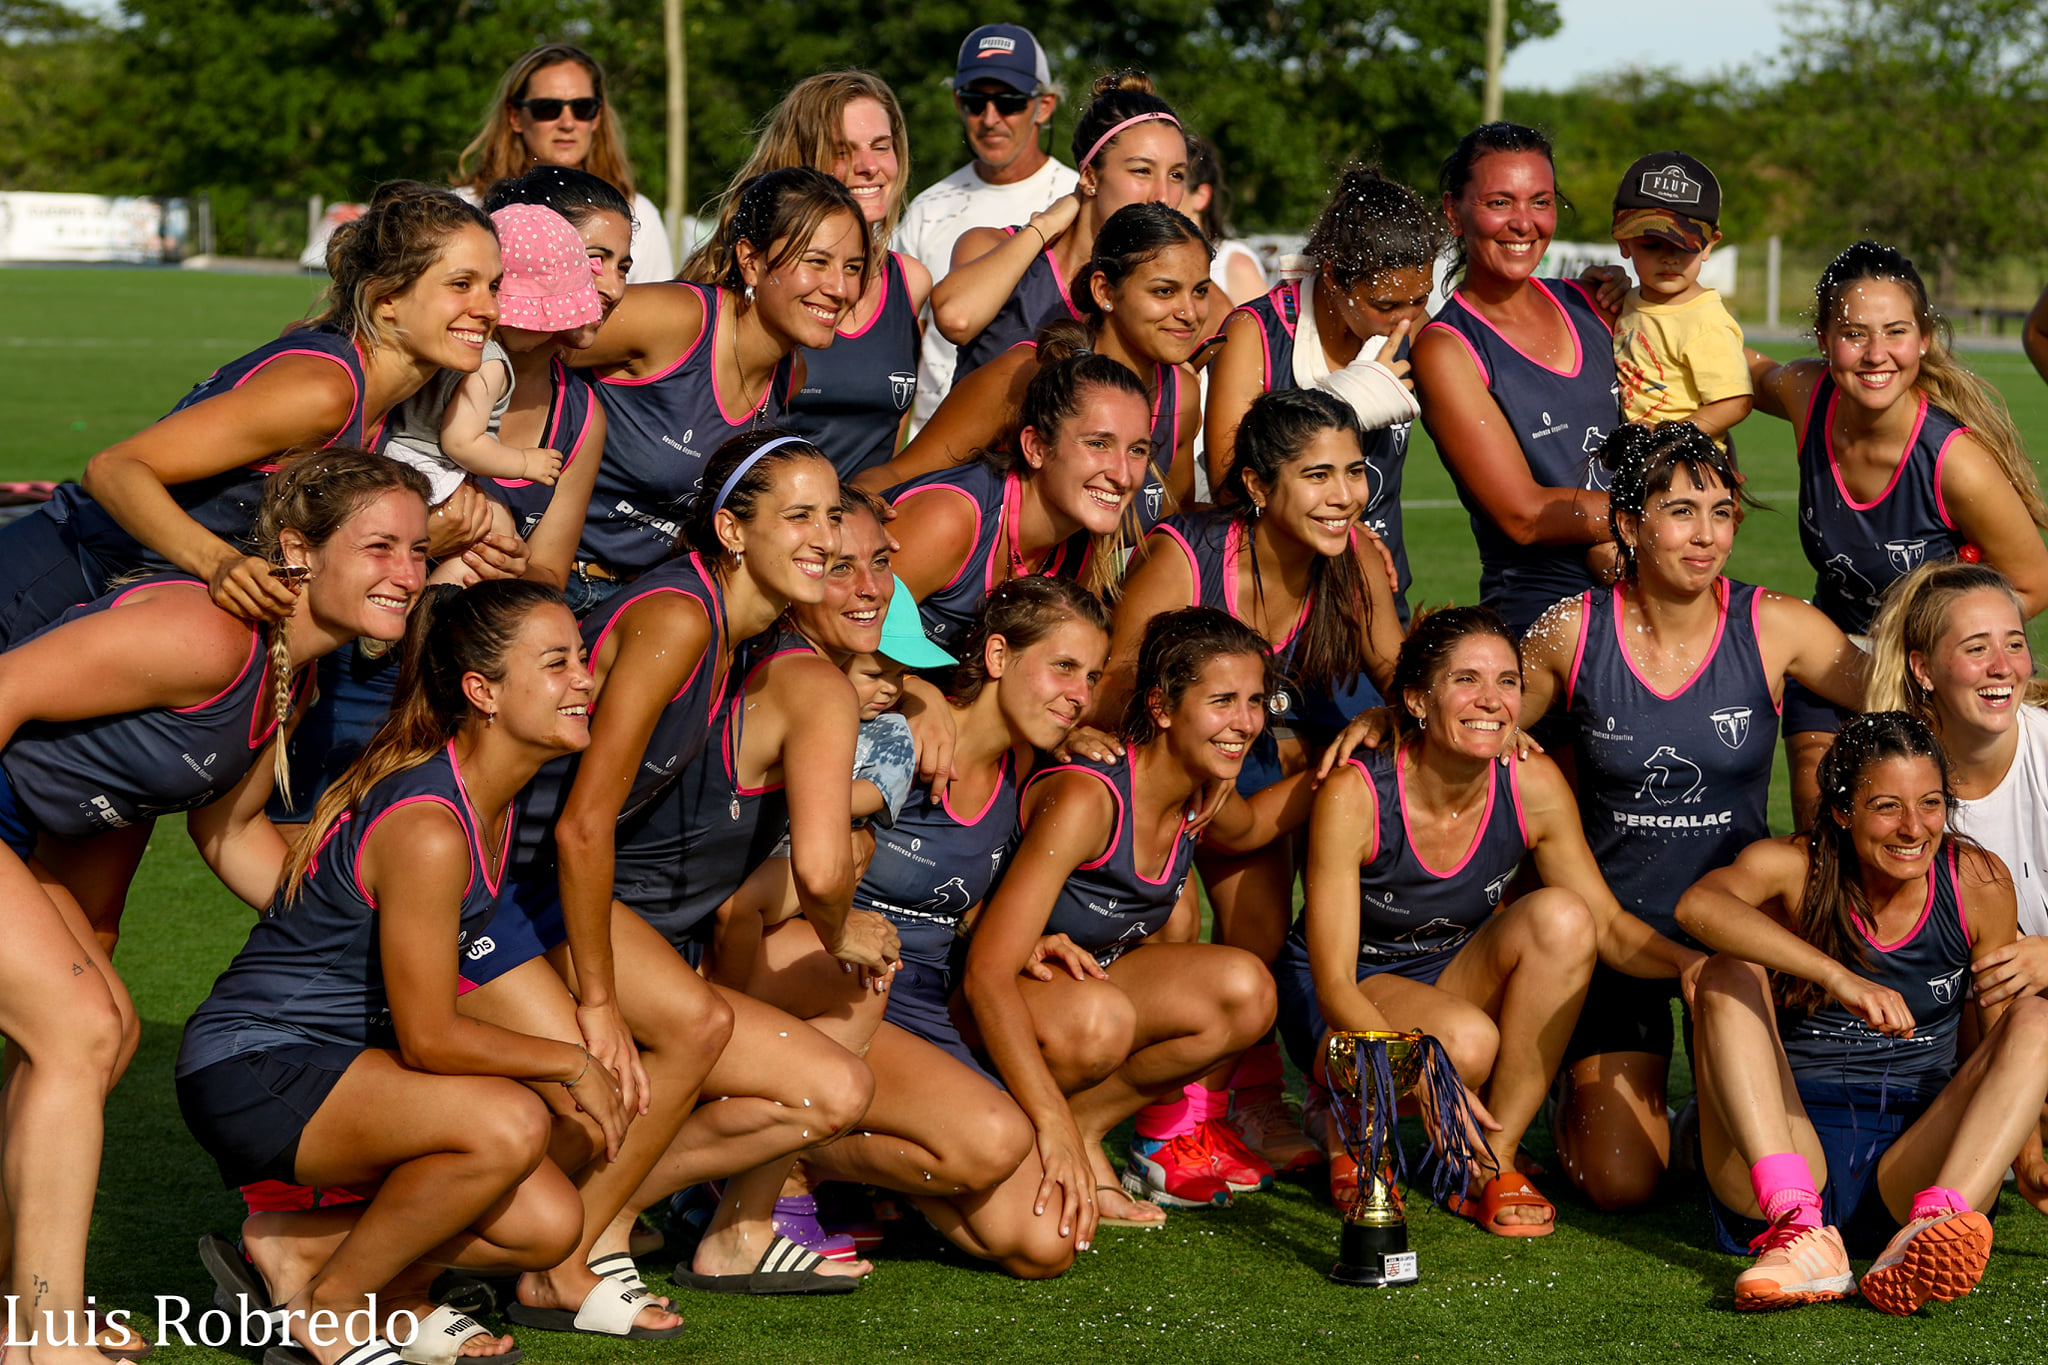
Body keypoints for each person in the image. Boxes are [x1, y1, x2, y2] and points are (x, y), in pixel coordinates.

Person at [0, 453, 430, 1365]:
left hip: (27, 831)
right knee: (78, 1029)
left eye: (419, 551)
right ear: (298, 552)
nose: (407, 572)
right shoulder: (208, 636)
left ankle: (16, 1301)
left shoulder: (290, 673)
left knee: (107, 1032)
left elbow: (230, 832)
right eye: (381, 547)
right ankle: (44, 1332)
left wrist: (361, 927)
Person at [175, 580, 665, 1365]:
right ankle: (331, 1308)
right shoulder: (432, 826)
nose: (585, 678)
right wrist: (573, 1059)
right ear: (483, 692)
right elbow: (430, 1038)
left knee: (547, 1224)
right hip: (254, 1065)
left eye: (581, 657)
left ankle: (298, 1247)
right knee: (512, 1123)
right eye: (557, 663)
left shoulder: (490, 798)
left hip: (331, 1062)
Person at [458, 432, 884, 1294]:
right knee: (690, 1028)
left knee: (829, 1089)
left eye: (832, 514)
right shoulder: (682, 618)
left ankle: (590, 1235)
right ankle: (559, 1260)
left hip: (550, 889)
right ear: (731, 530)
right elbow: (581, 828)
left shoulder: (741, 633)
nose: (826, 538)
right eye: (798, 516)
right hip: (497, 886)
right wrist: (601, 1001)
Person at [1507, 422, 1863, 1210]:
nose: (1706, 536)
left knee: (1733, 1169)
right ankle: (1575, 1092)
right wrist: (1389, 722)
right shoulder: (1571, 631)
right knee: (1621, 1182)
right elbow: (1480, 725)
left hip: (1738, 937)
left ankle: (1707, 1108)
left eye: (1721, 512)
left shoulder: (1776, 624)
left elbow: (1893, 697)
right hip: (1616, 938)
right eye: (1680, 512)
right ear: (1629, 524)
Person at [1287, 606, 1700, 1233]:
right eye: (1466, 680)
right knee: (1465, 1044)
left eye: (1507, 681)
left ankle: (1488, 1159)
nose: (1491, 700)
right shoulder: (1358, 791)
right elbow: (1334, 983)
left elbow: (1606, 924)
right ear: (1417, 700)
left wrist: (1690, 964)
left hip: (1446, 979)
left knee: (1564, 918)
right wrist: (1422, 1068)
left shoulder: (1530, 781)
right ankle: (1347, 1112)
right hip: (1344, 1001)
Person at [1085, 389, 1402, 1173]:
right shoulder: (1186, 555)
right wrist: (1189, 769)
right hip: (1154, 753)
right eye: (1317, 475)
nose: (1344, 495)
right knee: (1174, 921)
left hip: (1246, 750)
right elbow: (1119, 684)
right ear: (1258, 485)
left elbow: (1399, 675)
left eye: (1354, 472)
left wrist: (1384, 715)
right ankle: (1159, 1115)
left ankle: (1212, 1109)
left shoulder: (1355, 557)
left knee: (1256, 932)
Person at [0, 183, 519, 647]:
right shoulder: (322, 391)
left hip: (120, 612)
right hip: (51, 578)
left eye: (494, 286)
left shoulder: (405, 396)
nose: (489, 309)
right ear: (386, 299)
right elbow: (113, 468)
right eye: (461, 284)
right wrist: (219, 563)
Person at [778, 579, 1124, 1273]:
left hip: (926, 998)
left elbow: (947, 888)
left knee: (1045, 1243)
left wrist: (1003, 929)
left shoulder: (1025, 763)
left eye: (1091, 677)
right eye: (1062, 667)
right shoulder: (901, 732)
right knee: (993, 1139)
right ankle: (774, 1154)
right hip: (840, 988)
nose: (1080, 695)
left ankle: (849, 1162)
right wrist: (1052, 1122)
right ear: (996, 656)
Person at [1676, 711, 2048, 1315]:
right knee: (1725, 970)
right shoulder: (1795, 866)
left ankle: (1928, 1230)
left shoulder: (1977, 882)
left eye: (1930, 804)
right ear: (1843, 810)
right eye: (1886, 807)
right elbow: (1698, 906)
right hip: (1786, 1149)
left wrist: (2027, 1158)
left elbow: (1999, 1031)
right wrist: (1837, 976)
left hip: (1916, 1164)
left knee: (2036, 1017)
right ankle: (1798, 1232)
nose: (1913, 828)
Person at [965, 609, 1313, 1222]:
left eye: (1256, 701)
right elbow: (984, 974)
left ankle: (1086, 1125)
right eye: (1222, 701)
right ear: (1161, 707)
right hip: (980, 1003)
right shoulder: (1089, 797)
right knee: (1101, 1019)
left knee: (1248, 991)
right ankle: (1040, 1131)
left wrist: (1378, 755)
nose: (1245, 723)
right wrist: (1049, 1124)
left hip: (1079, 996)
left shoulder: (1199, 790)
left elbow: (1257, 825)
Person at [1747, 240, 2048, 827]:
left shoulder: (1955, 463)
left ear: (1924, 339)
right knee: (1819, 825)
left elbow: (2033, 584)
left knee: (1905, 838)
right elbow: (1732, 365)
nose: (1876, 354)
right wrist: (1644, 305)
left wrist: (1933, 650)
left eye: (1896, 332)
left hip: (1921, 677)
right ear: (1823, 339)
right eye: (1854, 333)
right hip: (1833, 657)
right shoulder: (1808, 394)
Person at [561, 168, 867, 604]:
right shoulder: (676, 321)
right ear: (751, 262)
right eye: (817, 262)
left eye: (852, 267)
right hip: (560, 577)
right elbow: (527, 343)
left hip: (651, 595)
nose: (840, 288)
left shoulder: (789, 375)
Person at [1866, 560, 2048, 1204]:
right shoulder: (1892, 782)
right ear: (1923, 669)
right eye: (1976, 649)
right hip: (1957, 1026)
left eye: (2014, 644)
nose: (2003, 667)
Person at [862, 202, 1210, 532]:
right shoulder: (1029, 372)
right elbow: (899, 475)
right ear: (1104, 291)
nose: (1189, 313)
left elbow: (1167, 533)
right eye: (1164, 292)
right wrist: (850, 517)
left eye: (1200, 292)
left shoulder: (1182, 396)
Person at [1204, 165, 1442, 620]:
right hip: (1273, 603)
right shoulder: (1254, 334)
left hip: (1373, 597)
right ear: (1331, 277)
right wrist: (1345, 530)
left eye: (1421, 298)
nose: (1406, 319)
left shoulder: (1416, 328)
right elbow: (1229, 488)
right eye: (1385, 304)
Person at [1412, 123, 1620, 639]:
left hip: (1650, 606)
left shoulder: (1596, 303)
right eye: (1499, 202)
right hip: (1544, 622)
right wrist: (1673, 514)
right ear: (1453, 212)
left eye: (1540, 202)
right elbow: (1524, 516)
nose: (1524, 223)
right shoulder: (1448, 348)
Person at [687, 72, 931, 480]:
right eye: (842, 151)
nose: (869, 167)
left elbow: (891, 432)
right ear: (801, 160)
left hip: (864, 514)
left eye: (881, 147)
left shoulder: (910, 281)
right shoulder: (742, 278)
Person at [381, 204, 603, 566]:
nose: (552, 334)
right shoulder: (490, 362)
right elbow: (461, 442)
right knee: (498, 530)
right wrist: (523, 463)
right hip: (426, 467)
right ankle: (442, 595)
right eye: (544, 323)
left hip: (395, 458)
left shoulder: (446, 340)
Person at [887, 349, 1151, 651]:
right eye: (1098, 444)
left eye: (1137, 451)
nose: (1123, 476)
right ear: (1036, 447)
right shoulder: (948, 521)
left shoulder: (1084, 547)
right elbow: (845, 647)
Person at [933, 71, 1187, 383]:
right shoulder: (990, 244)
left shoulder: (1173, 285)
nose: (1163, 196)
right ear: (1090, 177)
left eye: (1176, 175)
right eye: (1141, 170)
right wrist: (1045, 225)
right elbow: (956, 320)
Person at [895, 24, 1075, 428]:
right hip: (934, 447)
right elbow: (900, 355)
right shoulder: (928, 209)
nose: (990, 119)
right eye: (976, 102)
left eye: (1009, 102)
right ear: (958, 102)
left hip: (1046, 440)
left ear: (1045, 106)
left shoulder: (1077, 199)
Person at [455, 42, 673, 283]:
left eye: (583, 108)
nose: (567, 123)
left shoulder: (639, 213)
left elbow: (659, 305)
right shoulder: (465, 208)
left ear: (597, 117)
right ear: (515, 116)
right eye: (548, 108)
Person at [1608, 151, 1751, 445]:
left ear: (1709, 245)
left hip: (1685, 461)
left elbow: (1735, 402)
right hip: (1642, 457)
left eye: (1684, 245)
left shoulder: (1705, 322)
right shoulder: (1627, 299)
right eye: (1651, 245)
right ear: (1624, 241)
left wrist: (1666, 436)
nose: (1669, 258)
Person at [1182, 136, 1265, 309]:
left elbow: (1263, 326)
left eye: (1175, 178)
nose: (1160, 194)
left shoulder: (1234, 264)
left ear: (1201, 196)